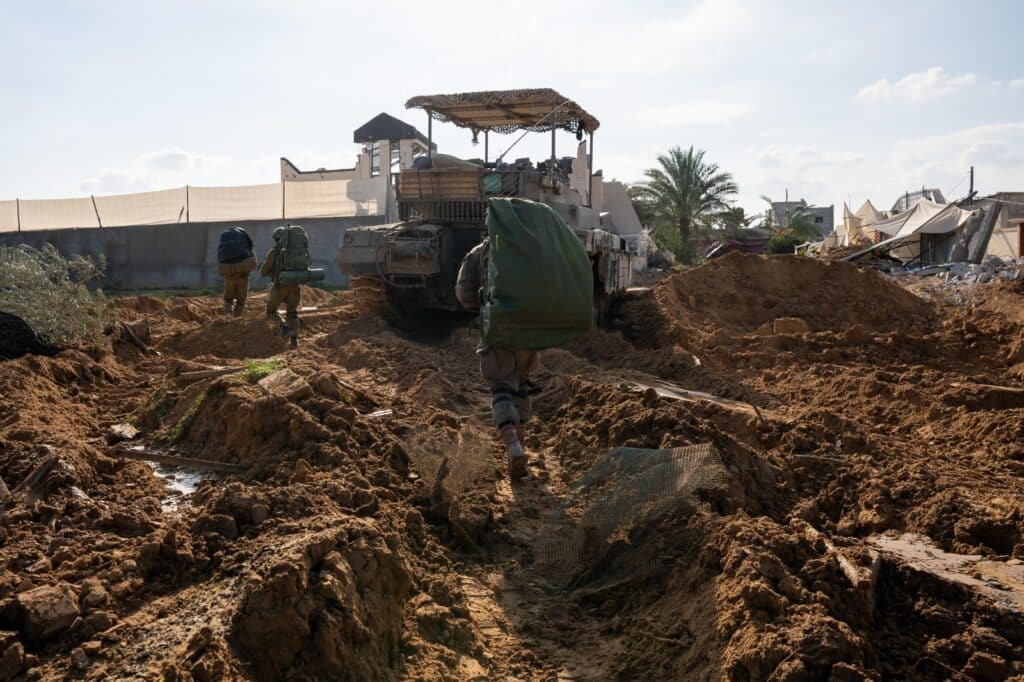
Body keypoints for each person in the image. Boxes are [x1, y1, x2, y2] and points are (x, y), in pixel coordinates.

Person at [456, 238, 537, 480]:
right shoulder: (531, 247)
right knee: (522, 386)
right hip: (529, 331)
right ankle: (521, 450)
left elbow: (463, 294)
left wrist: (482, 307)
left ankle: (513, 448)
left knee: (500, 388)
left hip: (497, 329)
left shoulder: (479, 252)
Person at [261, 226, 301, 348]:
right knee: (292, 313)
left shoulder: (274, 252)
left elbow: (263, 272)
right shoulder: (298, 251)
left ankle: (284, 328)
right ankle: (294, 341)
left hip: (280, 286)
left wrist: (268, 266)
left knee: (271, 311)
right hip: (295, 286)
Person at [217, 227, 256, 316]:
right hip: (243, 275)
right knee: (241, 300)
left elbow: (220, 258)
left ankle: (227, 317)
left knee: (228, 299)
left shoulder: (225, 243)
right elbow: (251, 252)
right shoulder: (244, 240)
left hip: (229, 274)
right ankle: (237, 319)